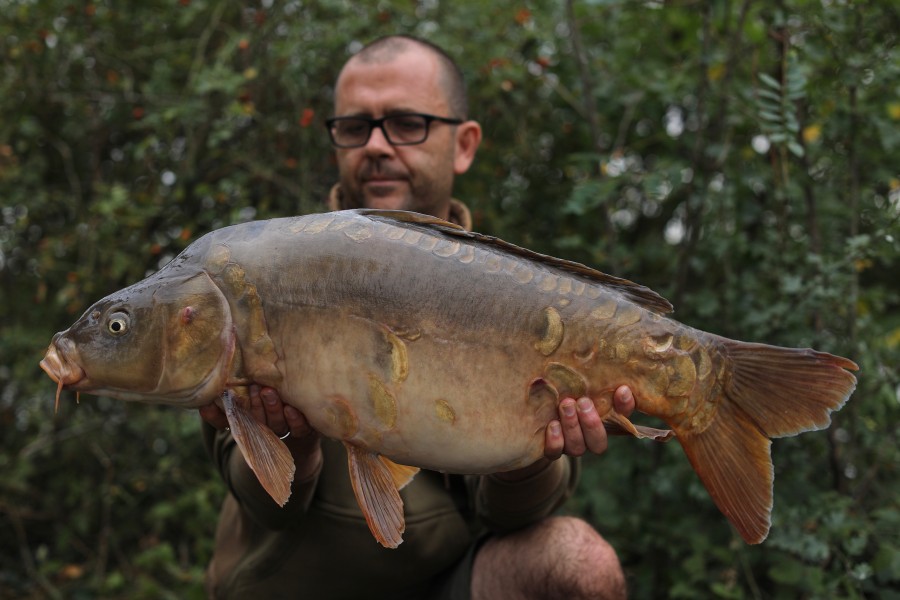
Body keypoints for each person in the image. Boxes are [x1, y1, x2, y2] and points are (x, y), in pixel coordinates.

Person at [199, 35, 633, 600]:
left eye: (407, 123)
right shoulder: (266, 274)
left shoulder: (524, 295)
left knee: (579, 562)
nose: (376, 145)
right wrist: (294, 447)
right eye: (355, 128)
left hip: (449, 583)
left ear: (464, 144)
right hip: (296, 587)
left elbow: (513, 519)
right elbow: (266, 507)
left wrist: (527, 461)